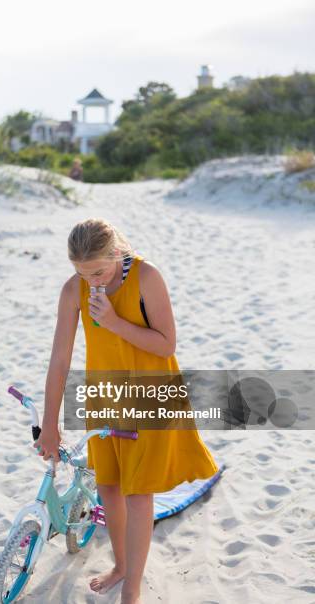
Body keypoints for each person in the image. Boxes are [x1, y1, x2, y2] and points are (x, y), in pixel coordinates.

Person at [34, 218, 219, 604]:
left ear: (116, 253)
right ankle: (121, 565)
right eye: (83, 274)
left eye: (99, 271)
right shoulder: (75, 290)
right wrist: (50, 423)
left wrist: (113, 322)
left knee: (138, 493)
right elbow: (60, 358)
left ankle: (132, 586)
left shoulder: (147, 277)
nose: (93, 282)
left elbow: (166, 345)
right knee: (110, 488)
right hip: (105, 397)